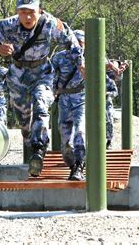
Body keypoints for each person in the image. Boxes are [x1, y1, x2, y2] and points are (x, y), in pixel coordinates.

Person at [0, 0, 83, 177]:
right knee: (24, 120)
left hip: (42, 73)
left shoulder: (50, 23)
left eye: (32, 12)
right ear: (17, 12)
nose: (28, 17)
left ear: (39, 10)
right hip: (17, 76)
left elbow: (71, 40)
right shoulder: (7, 25)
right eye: (23, 12)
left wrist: (80, 62)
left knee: (41, 104)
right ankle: (31, 140)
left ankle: (39, 148)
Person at [52, 29, 86, 180]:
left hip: (82, 100)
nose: (77, 46)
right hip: (64, 101)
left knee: (80, 133)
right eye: (74, 42)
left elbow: (108, 65)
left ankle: (79, 166)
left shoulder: (89, 57)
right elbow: (50, 76)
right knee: (66, 140)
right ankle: (72, 165)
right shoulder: (59, 58)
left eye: (80, 43)